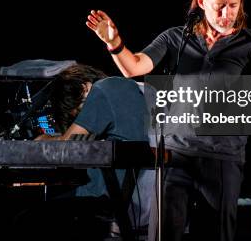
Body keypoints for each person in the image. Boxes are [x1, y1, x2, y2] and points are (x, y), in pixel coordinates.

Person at [86, 0, 251, 241]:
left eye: (233, 5)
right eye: (219, 6)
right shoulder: (176, 38)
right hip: (175, 155)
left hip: (222, 155)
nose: (227, 14)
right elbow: (134, 67)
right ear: (201, 1)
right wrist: (114, 43)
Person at [21, 64, 153, 239]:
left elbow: (67, 147)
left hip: (114, 205)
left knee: (26, 219)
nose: (82, 119)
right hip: (154, 209)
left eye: (78, 113)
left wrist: (41, 140)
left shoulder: (106, 88)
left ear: (84, 87)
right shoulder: (146, 89)